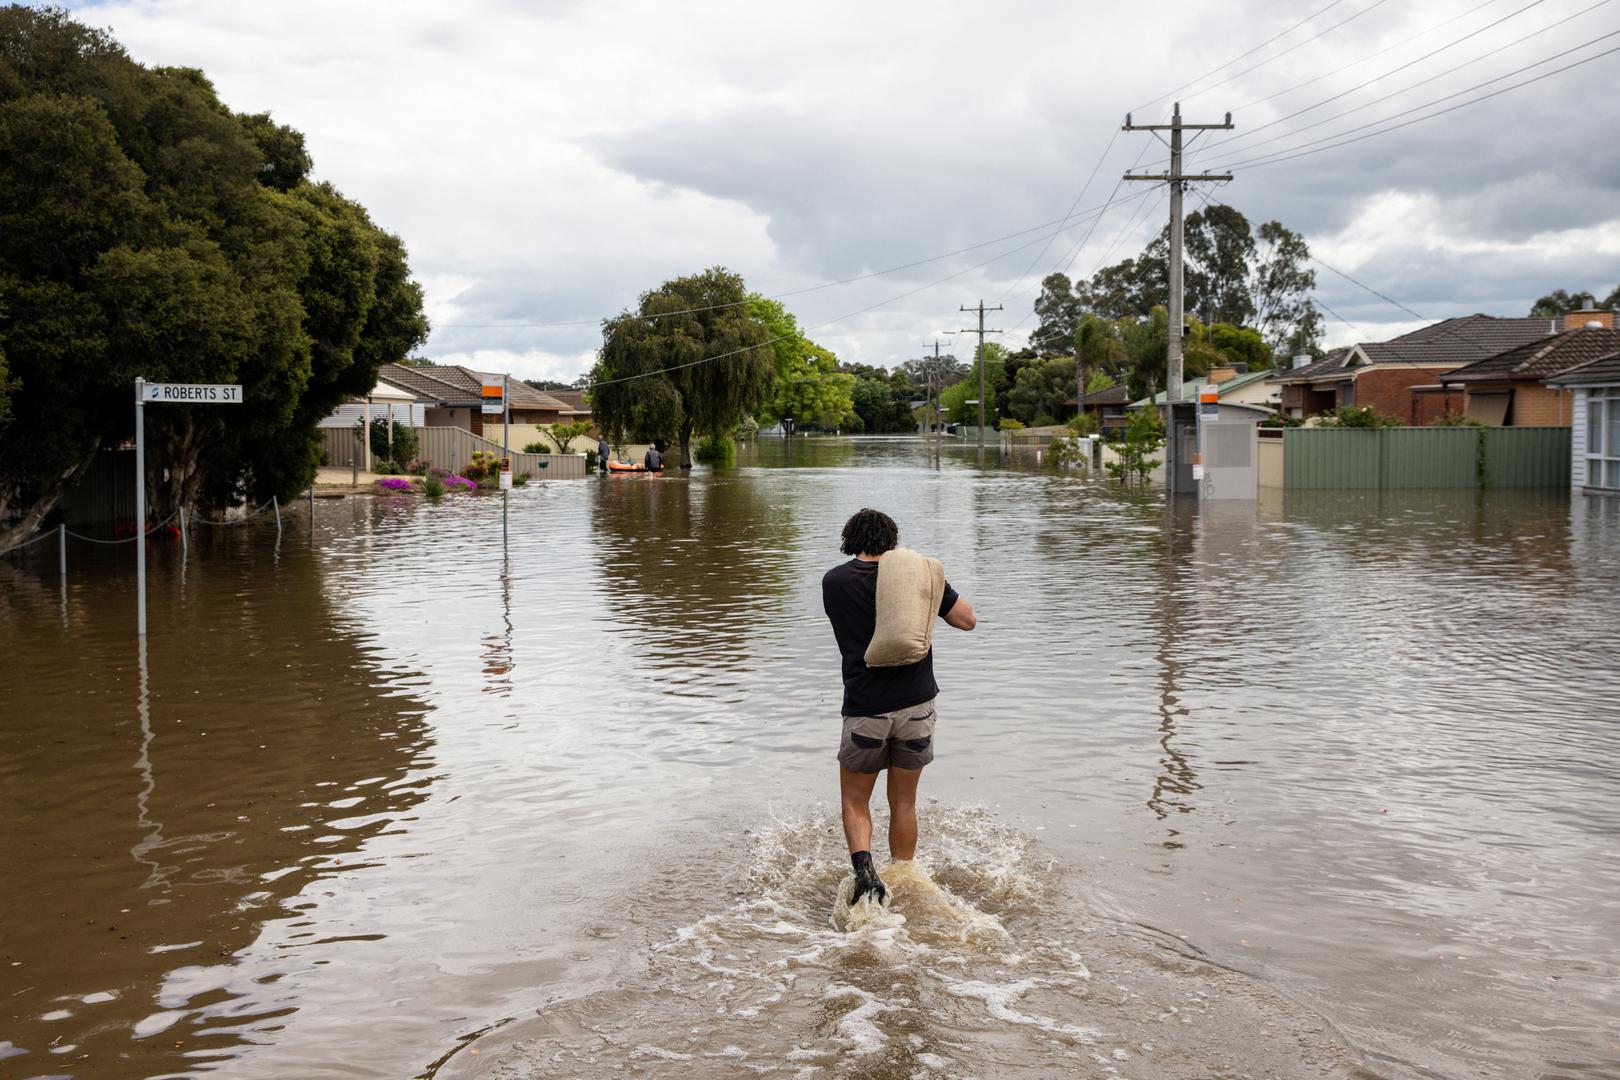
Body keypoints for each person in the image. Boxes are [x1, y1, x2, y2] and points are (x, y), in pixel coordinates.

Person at [821, 508, 975, 905]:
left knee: (856, 799)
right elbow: (967, 621)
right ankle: (905, 881)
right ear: (891, 541)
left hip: (865, 711)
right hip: (916, 709)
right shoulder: (919, 577)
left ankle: (865, 876)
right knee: (903, 801)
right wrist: (930, 587)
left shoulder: (834, 581)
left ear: (849, 540)